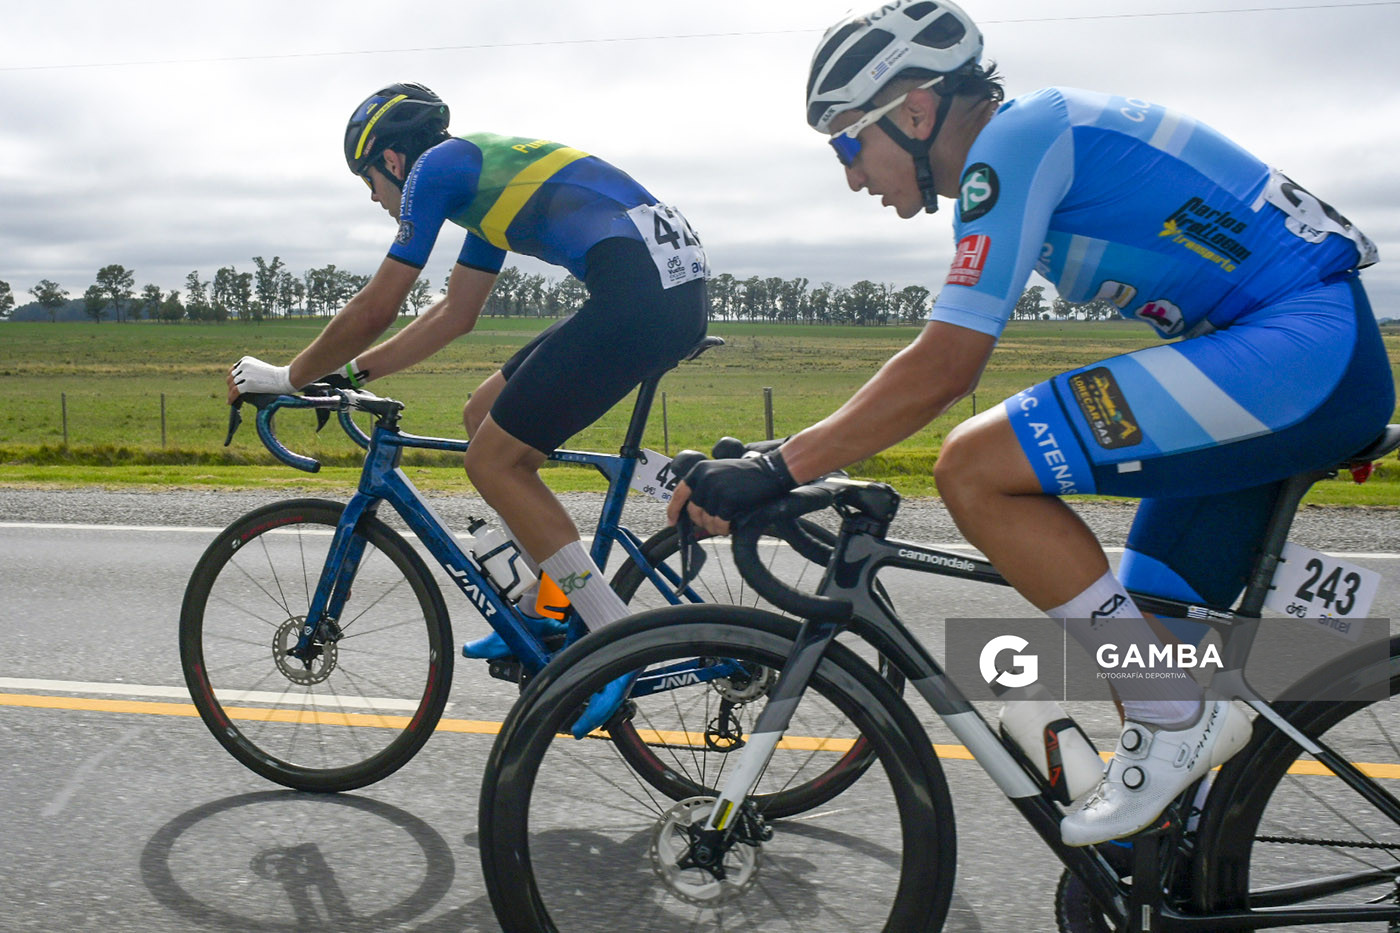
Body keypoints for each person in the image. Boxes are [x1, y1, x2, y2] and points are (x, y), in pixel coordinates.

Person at [668, 0, 1392, 847]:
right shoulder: (1027, 144)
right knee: (1152, 619)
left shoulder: (1012, 144)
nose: (852, 175)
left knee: (974, 466)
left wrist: (780, 467)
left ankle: (1176, 721)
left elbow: (945, 366)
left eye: (845, 143)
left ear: (912, 109)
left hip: (1301, 350)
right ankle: (1180, 853)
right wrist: (779, 454)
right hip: (1291, 356)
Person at [227, 82, 710, 670]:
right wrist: (351, 371)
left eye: (368, 181)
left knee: (493, 462)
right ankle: (545, 604)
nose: (374, 197)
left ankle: (608, 645)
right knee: (481, 417)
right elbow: (456, 314)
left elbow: (376, 307)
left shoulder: (437, 170)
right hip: (653, 288)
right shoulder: (478, 182)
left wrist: (290, 377)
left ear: (393, 159)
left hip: (641, 294)